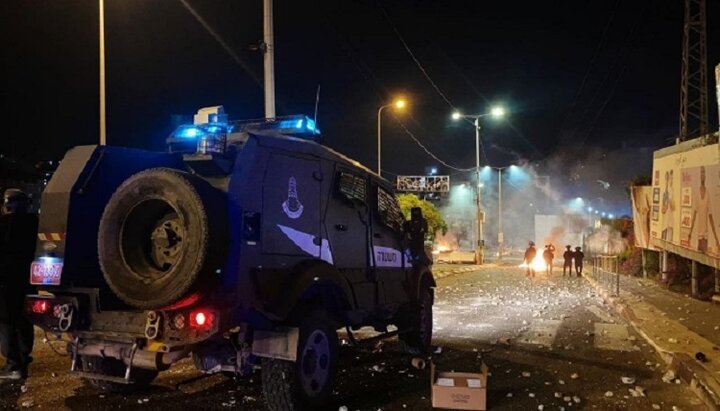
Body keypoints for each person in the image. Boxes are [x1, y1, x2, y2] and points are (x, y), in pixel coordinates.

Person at [0, 189, 38, 380]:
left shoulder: (3, 225)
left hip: (6, 282)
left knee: (6, 323)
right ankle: (23, 358)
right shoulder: (36, 223)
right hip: (28, 281)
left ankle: (13, 365)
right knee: (24, 320)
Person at [687, 166, 720, 254]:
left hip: (705, 236)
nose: (702, 175)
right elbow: (694, 215)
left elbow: (710, 216)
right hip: (697, 236)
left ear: (705, 176)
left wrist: (716, 238)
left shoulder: (708, 194)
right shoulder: (697, 193)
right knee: (697, 260)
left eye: (704, 173)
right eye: (701, 172)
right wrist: (690, 233)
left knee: (704, 260)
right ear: (699, 175)